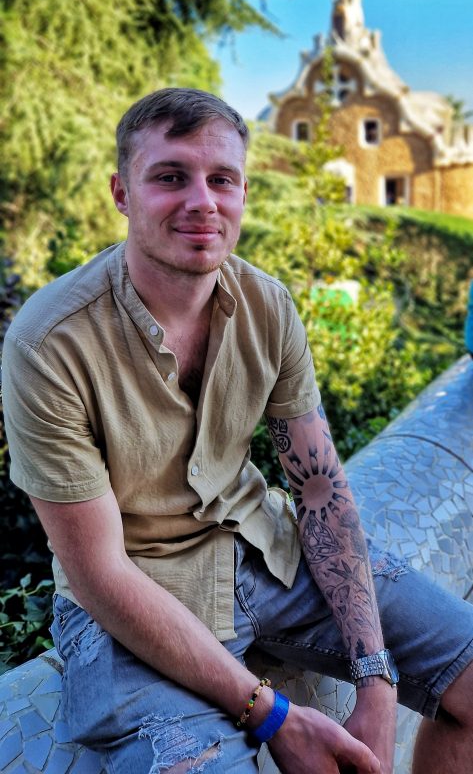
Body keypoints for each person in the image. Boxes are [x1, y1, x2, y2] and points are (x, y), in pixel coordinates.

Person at [3, 87, 473, 774]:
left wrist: (374, 675)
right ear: (121, 192)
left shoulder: (266, 305)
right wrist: (273, 713)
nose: (202, 200)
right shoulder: (49, 342)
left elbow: (318, 490)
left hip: (263, 552)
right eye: (170, 176)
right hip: (132, 599)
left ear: (243, 193)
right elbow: (98, 571)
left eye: (221, 179)